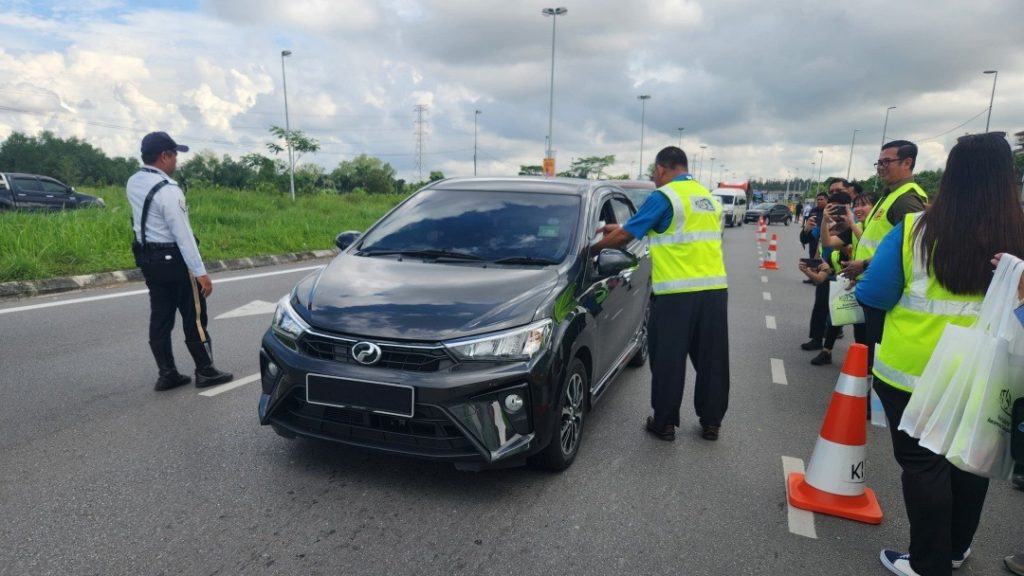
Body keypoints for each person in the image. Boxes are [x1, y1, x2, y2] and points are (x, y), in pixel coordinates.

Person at [855, 132, 1024, 576]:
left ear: (951, 177)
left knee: (923, 467)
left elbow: (873, 294)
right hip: (988, 376)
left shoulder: (915, 230)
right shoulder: (1018, 235)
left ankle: (929, 564)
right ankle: (955, 549)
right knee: (970, 462)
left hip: (912, 373)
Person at [591, 146, 728, 442]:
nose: (655, 177)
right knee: (712, 360)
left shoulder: (665, 196)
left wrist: (590, 249)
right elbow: (665, 229)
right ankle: (711, 423)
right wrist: (622, 227)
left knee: (669, 359)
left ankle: (664, 423)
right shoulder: (707, 199)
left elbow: (627, 236)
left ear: (662, 169)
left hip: (676, 294)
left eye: (655, 172)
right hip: (715, 292)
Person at [128, 131, 233, 391]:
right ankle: (205, 370)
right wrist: (200, 272)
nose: (176, 161)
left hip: (149, 259)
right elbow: (183, 234)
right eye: (174, 155)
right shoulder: (169, 191)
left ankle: (167, 373)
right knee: (194, 316)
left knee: (160, 316)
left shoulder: (134, 182)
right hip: (175, 260)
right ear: (164, 156)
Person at [842, 140, 928, 372]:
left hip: (889, 290)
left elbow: (913, 248)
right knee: (868, 347)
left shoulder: (907, 200)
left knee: (878, 351)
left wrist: (865, 264)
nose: (880, 167)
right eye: (878, 162)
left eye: (886, 162)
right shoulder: (889, 195)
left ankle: (874, 403)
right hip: (873, 281)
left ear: (907, 162)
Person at [799, 191, 853, 365]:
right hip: (829, 268)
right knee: (821, 307)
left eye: (839, 208)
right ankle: (818, 341)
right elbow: (810, 238)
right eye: (831, 206)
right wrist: (807, 229)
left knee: (839, 314)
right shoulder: (824, 221)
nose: (834, 211)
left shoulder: (853, 227)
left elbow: (833, 243)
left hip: (848, 275)